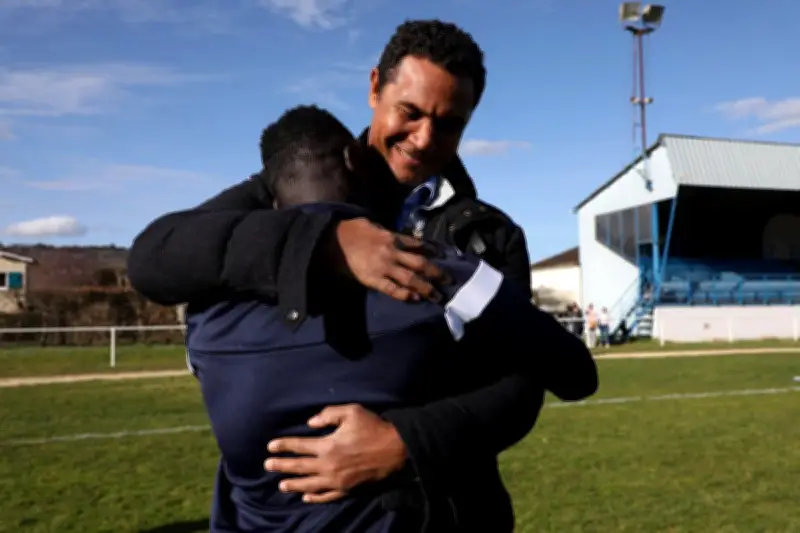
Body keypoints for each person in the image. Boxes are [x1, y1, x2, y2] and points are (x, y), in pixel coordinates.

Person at [128, 19, 587, 530]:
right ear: (374, 87)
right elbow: (154, 257)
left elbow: (524, 386)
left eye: (451, 123)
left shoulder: (487, 236)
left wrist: (404, 441)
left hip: (444, 513)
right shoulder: (292, 180)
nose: (424, 139)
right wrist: (326, 243)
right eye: (408, 113)